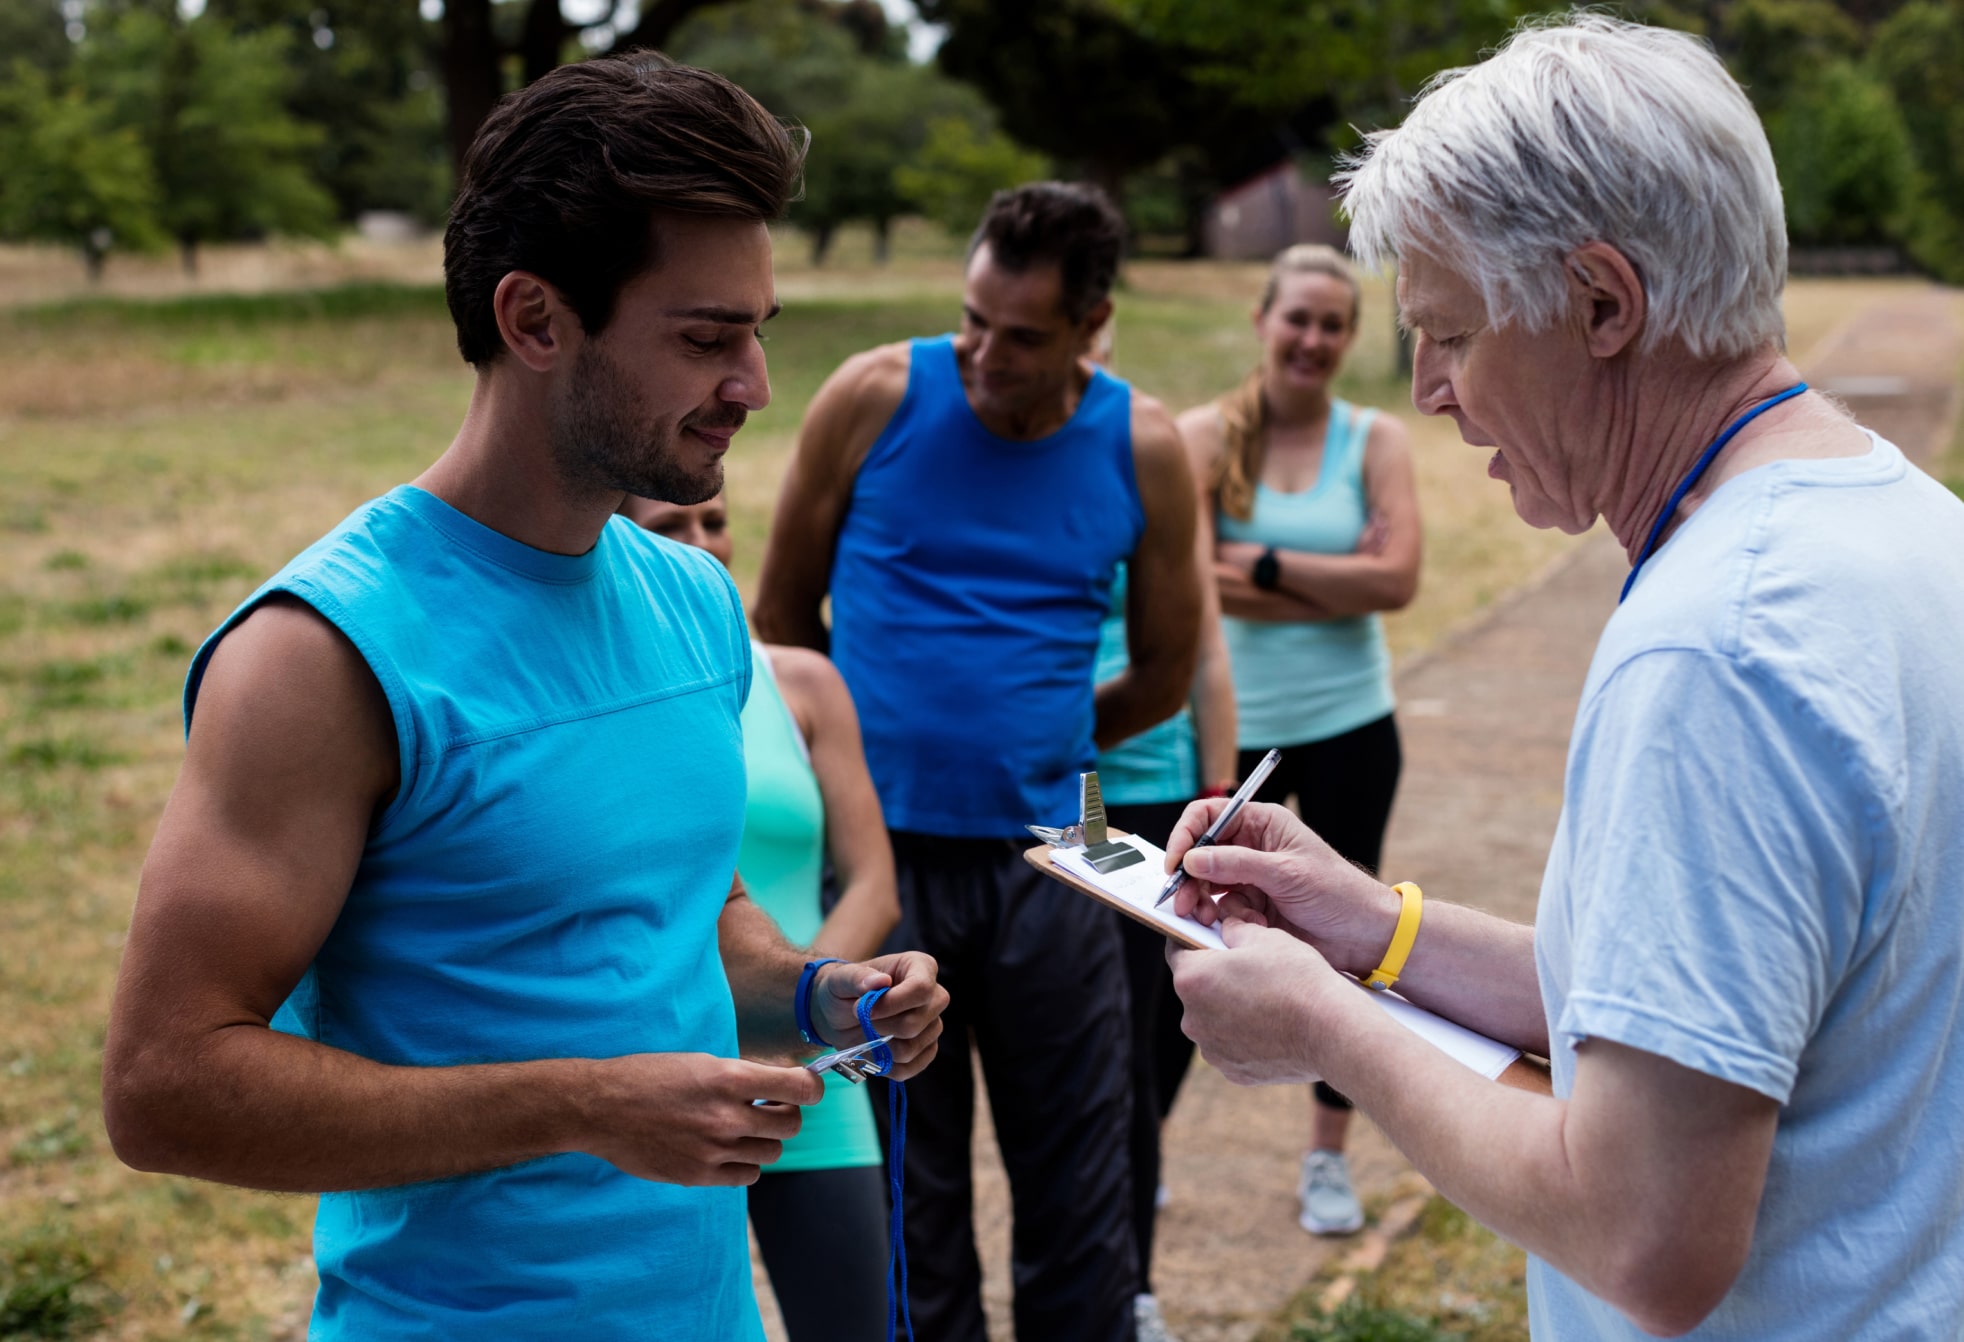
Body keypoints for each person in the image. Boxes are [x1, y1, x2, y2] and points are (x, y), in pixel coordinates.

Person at [99, 55, 947, 1341]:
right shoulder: (322, 652)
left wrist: (820, 995)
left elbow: (688, 918)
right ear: (535, 320)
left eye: (756, 331)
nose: (752, 385)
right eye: (706, 337)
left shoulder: (694, 601)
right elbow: (163, 1086)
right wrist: (584, 1103)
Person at [1163, 15, 1964, 1341]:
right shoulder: (1902, 524)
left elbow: (1645, 1233)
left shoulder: (1720, 648)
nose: (1426, 389)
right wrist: (1375, 932)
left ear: (1602, 302)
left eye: (1450, 333)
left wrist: (1325, 1025)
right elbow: (1708, 1007)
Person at [754, 181, 1201, 1342]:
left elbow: (1163, 667)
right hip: (884, 862)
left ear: (1091, 326)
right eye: (971, 320)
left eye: (1021, 336)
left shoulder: (1142, 447)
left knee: (1080, 1183)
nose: (983, 355)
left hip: (1056, 855)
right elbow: (782, 617)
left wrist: (1030, 738)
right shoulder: (870, 398)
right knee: (913, 1192)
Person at [1181, 244, 1421, 1237]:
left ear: (1350, 338)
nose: (1312, 339)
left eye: (1333, 324)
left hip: (1351, 727)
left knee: (1356, 947)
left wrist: (1254, 562)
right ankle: (1137, 1164)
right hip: (1232, 731)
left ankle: (1326, 1157)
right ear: (1261, 318)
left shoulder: (1374, 439)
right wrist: (1330, 570)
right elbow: (1179, 584)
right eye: (1298, 319)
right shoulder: (1198, 436)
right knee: (1186, 931)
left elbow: (1397, 581)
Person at [621, 490, 899, 1342]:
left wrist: (806, 1014)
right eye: (672, 528)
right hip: (661, 1074)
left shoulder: (802, 681)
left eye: (715, 521)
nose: (703, 544)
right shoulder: (613, 699)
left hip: (808, 1073)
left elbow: (874, 883)